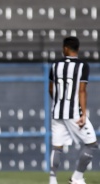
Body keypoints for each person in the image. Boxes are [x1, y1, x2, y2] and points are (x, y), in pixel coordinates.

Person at [48, 36, 98, 184]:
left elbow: (51, 89)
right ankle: (76, 178)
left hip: (56, 111)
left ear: (65, 48)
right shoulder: (83, 65)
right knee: (91, 144)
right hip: (74, 113)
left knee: (57, 147)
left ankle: (52, 180)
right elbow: (82, 91)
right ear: (78, 49)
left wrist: (58, 102)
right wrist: (83, 113)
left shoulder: (55, 65)